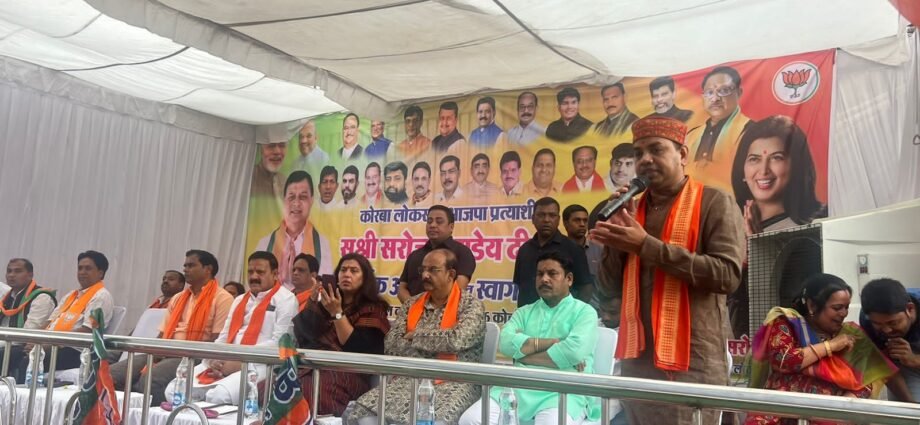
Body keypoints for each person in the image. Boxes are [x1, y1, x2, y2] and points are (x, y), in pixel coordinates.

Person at [591, 116, 745, 425]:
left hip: (693, 364)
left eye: (656, 149)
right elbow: (607, 288)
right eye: (638, 153)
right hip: (638, 363)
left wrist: (645, 245)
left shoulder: (714, 202)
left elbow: (727, 275)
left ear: (683, 154)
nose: (645, 159)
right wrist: (617, 242)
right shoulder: (633, 210)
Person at [459, 252, 600, 425]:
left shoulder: (585, 312)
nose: (544, 279)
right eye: (540, 274)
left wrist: (522, 356)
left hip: (562, 389)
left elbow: (573, 352)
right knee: (470, 420)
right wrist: (552, 344)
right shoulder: (524, 312)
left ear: (569, 279)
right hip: (518, 385)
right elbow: (505, 344)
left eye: (552, 274)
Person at [348, 249, 485, 425]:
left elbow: (456, 340)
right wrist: (435, 345)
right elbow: (391, 344)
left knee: (437, 419)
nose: (425, 275)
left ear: (451, 274)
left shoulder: (471, 305)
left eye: (433, 270)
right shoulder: (412, 304)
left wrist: (415, 336)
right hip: (409, 379)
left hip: (455, 381)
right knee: (363, 411)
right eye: (423, 270)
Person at [746, 274, 897, 424]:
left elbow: (867, 381)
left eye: (846, 307)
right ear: (812, 305)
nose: (844, 313)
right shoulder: (788, 324)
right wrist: (830, 346)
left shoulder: (850, 335)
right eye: (837, 308)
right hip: (781, 413)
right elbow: (784, 360)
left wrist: (837, 414)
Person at [164, 251, 297, 405]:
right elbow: (224, 336)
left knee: (219, 396)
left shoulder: (286, 300)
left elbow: (281, 342)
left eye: (260, 272)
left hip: (260, 364)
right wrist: (214, 359)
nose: (254, 276)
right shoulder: (239, 300)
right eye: (250, 272)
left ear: (274, 274)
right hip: (227, 360)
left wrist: (240, 361)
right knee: (174, 390)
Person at [110, 250, 234, 405]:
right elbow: (163, 334)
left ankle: (155, 415)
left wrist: (179, 351)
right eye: (185, 266)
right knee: (111, 374)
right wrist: (154, 353)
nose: (185, 269)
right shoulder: (178, 298)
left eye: (191, 265)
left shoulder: (223, 298)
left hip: (195, 356)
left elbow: (217, 339)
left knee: (151, 379)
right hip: (167, 351)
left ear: (208, 269)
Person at [293, 253, 391, 416]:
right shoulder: (326, 303)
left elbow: (357, 348)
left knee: (315, 387)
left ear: (364, 278)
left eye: (354, 271)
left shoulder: (372, 309)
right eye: (343, 270)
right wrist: (312, 302)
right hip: (316, 366)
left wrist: (337, 313)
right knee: (279, 383)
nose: (347, 274)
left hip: (350, 373)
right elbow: (305, 336)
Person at [24, 251, 115, 377]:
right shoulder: (71, 295)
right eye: (80, 268)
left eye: (88, 268)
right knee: (13, 352)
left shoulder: (101, 296)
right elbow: (49, 322)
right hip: (52, 345)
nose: (82, 272)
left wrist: (48, 344)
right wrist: (34, 340)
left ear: (100, 273)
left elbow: (88, 331)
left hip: (75, 351)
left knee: (25, 361)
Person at [731, 115, 825, 235]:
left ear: (797, 165)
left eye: (776, 158)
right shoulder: (727, 226)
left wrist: (756, 241)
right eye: (754, 159)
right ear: (742, 170)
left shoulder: (820, 225)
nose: (764, 170)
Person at [256, 171, 334, 287]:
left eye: (303, 197)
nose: (296, 203)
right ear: (284, 200)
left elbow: (323, 286)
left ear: (311, 200)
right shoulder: (265, 243)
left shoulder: (322, 245)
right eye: (291, 197)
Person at [514, 197, 592, 307]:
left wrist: (571, 313)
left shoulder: (573, 249)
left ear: (558, 220)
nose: (546, 220)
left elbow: (586, 289)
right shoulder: (524, 249)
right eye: (541, 215)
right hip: (528, 316)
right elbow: (521, 287)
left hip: (562, 316)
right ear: (533, 219)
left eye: (552, 215)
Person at [686, 66, 751, 190]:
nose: (715, 99)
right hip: (693, 198)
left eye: (724, 90)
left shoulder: (752, 131)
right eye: (709, 92)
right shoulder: (691, 136)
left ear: (739, 93)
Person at [397, 205, 476, 303]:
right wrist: (415, 307)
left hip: (446, 311)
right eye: (429, 221)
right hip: (413, 310)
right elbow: (402, 289)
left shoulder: (462, 253)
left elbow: (458, 289)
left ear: (451, 227)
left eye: (439, 222)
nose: (433, 225)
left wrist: (431, 309)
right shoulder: (415, 255)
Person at [859, 278, 920, 402]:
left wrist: (915, 360)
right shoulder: (867, 319)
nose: (887, 330)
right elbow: (885, 365)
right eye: (878, 324)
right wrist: (910, 405)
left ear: (910, 309)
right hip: (905, 364)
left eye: (893, 323)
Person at [1, 258, 56, 381]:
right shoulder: (6, 297)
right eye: (9, 271)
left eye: (17, 271)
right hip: (7, 343)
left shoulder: (42, 297)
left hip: (25, 346)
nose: (11, 275)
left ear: (30, 275)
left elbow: (28, 334)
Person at [563, 205, 602, 310]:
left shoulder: (599, 251)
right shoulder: (558, 251)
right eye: (577, 220)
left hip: (595, 311)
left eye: (585, 221)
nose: (582, 224)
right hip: (565, 311)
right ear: (565, 224)